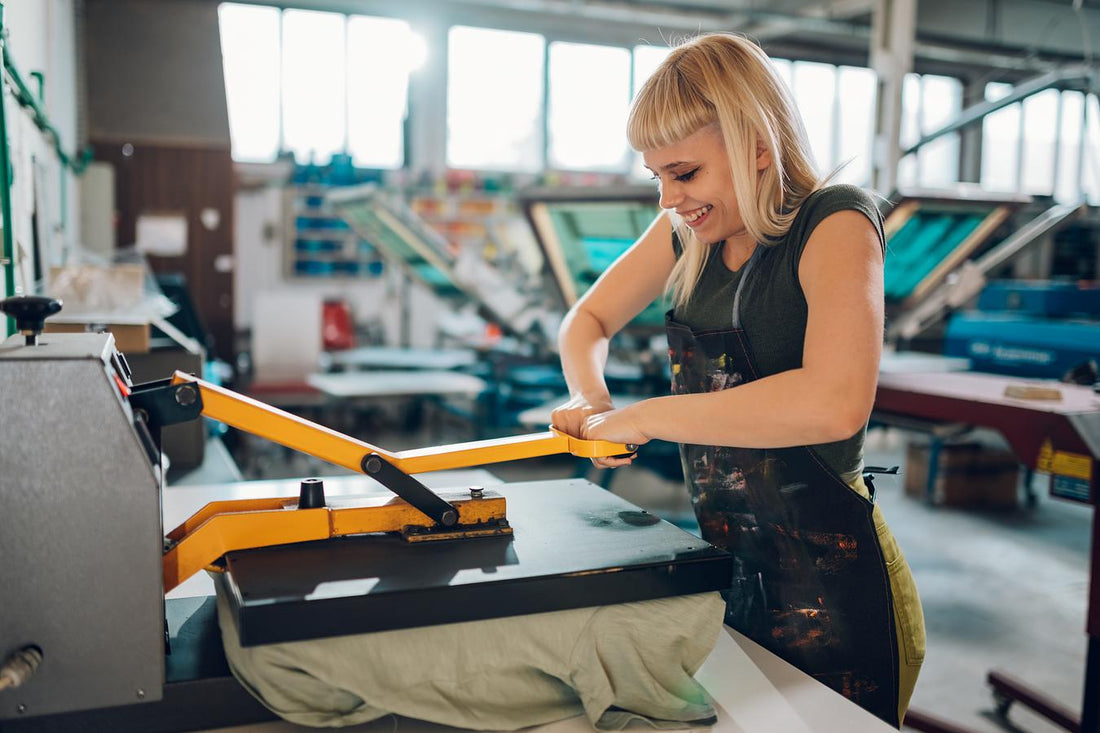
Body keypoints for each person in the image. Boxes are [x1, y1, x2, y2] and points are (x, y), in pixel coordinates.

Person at [550, 33, 925, 728]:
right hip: (735, 576)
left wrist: (648, 415)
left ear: (756, 143)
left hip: (841, 594)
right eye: (656, 176)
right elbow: (588, 318)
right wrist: (589, 396)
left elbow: (834, 403)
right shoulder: (688, 237)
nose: (668, 197)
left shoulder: (835, 220)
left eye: (684, 173)